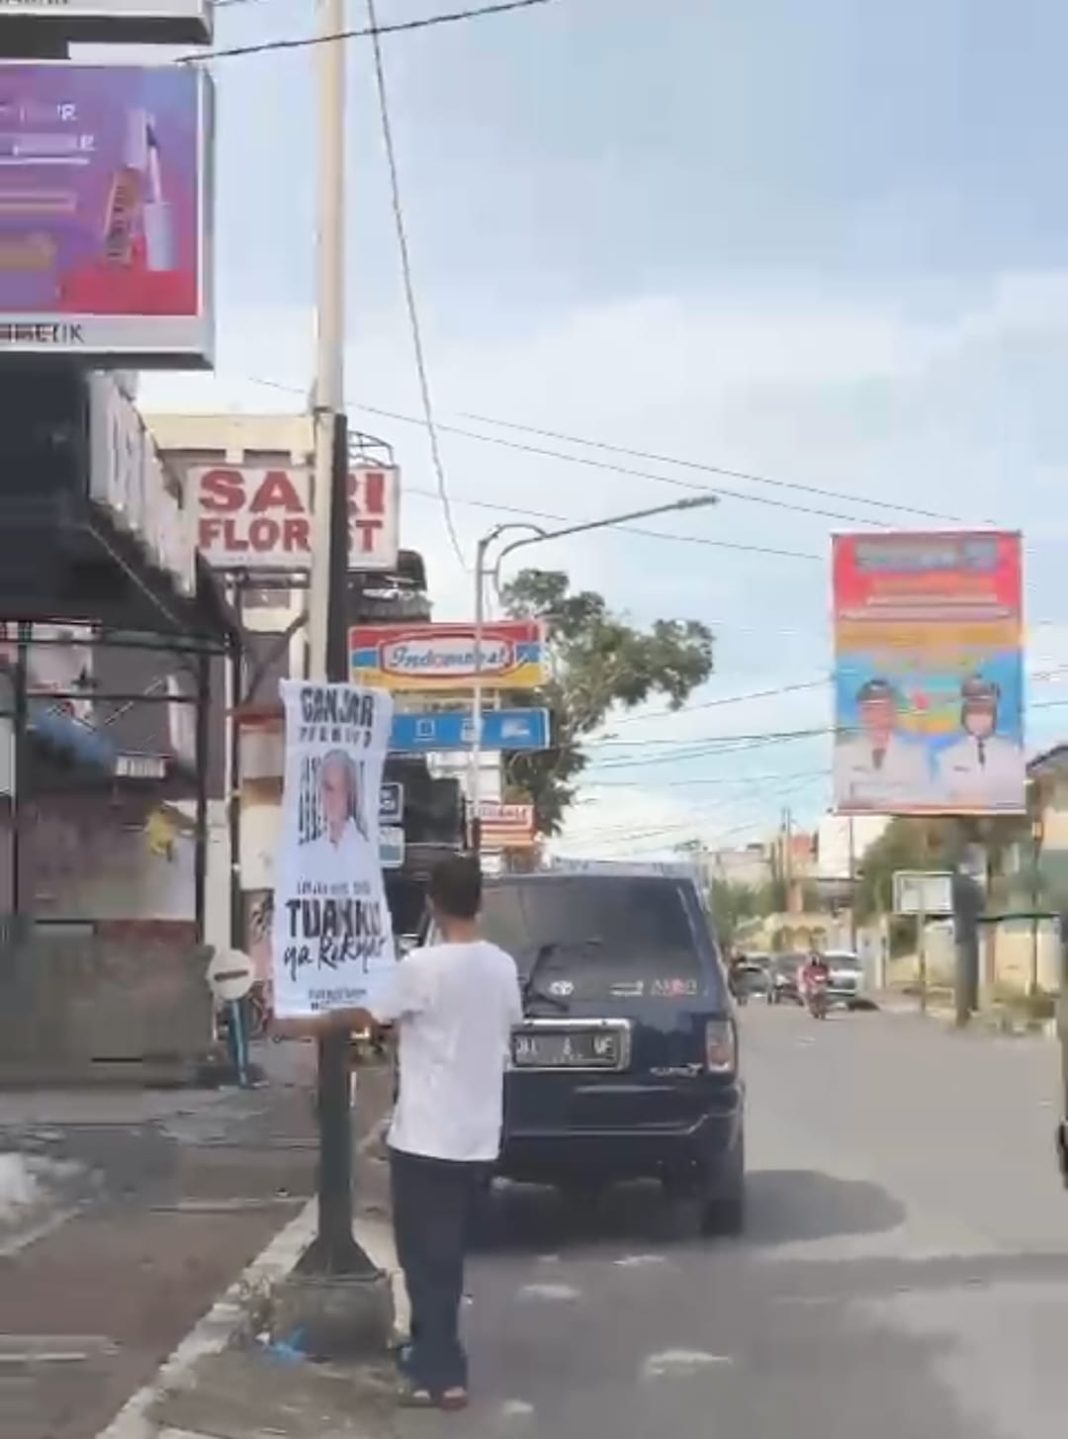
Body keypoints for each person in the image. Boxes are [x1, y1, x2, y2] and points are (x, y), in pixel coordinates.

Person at [369, 854, 522, 1411]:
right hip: (479, 1135)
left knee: (426, 1260)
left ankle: (442, 1374)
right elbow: (508, 1022)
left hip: (427, 1135)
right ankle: (430, 1354)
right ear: (480, 901)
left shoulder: (421, 966)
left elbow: (376, 1017)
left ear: (433, 902)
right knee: (447, 1256)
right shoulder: (502, 966)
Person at [835, 677, 928, 809]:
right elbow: (842, 800)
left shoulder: (915, 755)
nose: (877, 716)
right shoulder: (843, 755)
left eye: (883, 708)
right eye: (869, 709)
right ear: (861, 714)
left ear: (894, 712)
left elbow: (921, 800)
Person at [936, 676, 1025, 809]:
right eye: (972, 711)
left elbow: (1018, 795)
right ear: (964, 716)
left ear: (994, 715)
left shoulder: (1013, 753)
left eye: (984, 711)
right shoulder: (946, 757)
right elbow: (940, 798)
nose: (978, 717)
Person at [303, 749, 370, 886]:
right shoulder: (306, 854)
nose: (333, 798)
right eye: (328, 788)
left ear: (350, 794)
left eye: (341, 789)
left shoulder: (367, 854)